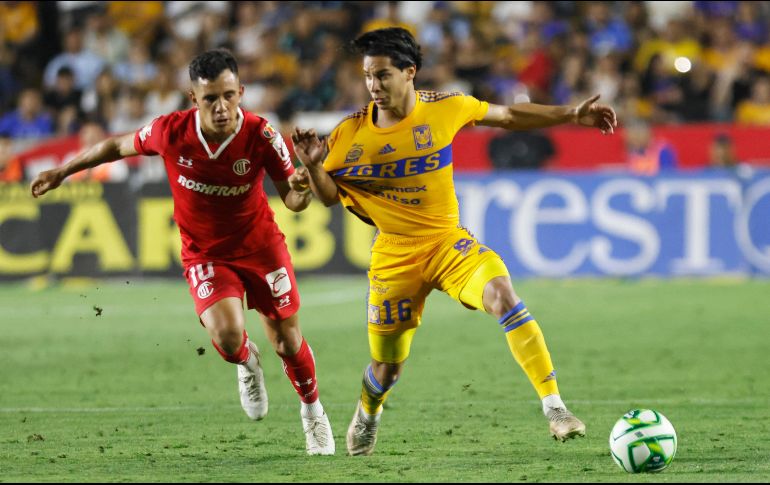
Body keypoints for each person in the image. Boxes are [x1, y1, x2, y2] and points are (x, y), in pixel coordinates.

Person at [290, 28, 617, 456]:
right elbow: (324, 198)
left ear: (410, 73)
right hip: (394, 255)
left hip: (448, 244)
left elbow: (510, 117)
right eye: (368, 75)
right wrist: (313, 169)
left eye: (383, 75)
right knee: (387, 368)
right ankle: (368, 412)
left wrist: (572, 114)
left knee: (503, 295)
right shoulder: (349, 135)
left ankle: (555, 407)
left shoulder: (447, 107)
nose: (373, 85)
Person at [30, 49, 335, 456]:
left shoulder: (262, 135)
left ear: (241, 91)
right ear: (194, 98)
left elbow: (294, 203)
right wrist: (62, 170)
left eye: (229, 95)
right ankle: (247, 364)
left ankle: (313, 413)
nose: (222, 106)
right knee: (228, 338)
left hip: (261, 248)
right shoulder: (170, 131)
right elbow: (117, 146)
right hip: (205, 253)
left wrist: (302, 184)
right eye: (210, 98)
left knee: (287, 341)